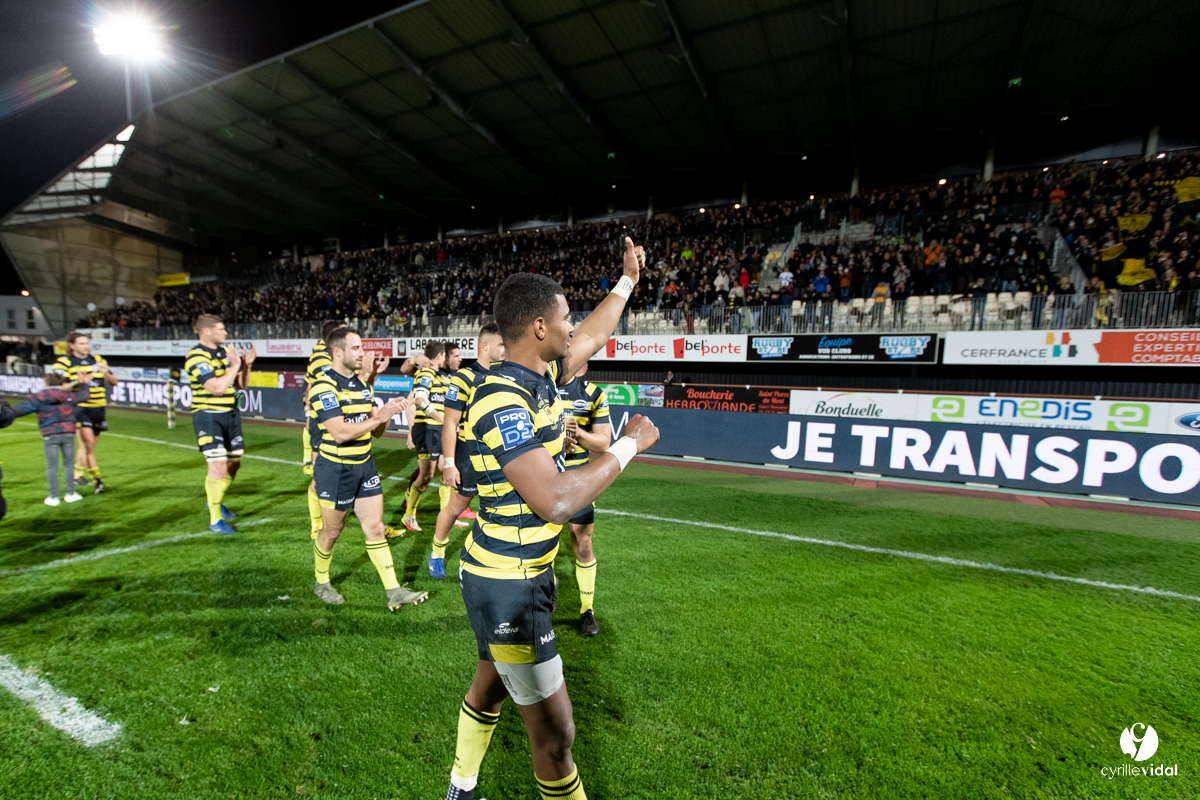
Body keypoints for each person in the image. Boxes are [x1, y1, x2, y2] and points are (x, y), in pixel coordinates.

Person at [441, 238, 659, 800]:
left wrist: (628, 281)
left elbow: (595, 332)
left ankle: (460, 787)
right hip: (506, 583)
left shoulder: (547, 378)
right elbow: (556, 502)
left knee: (490, 687)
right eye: (564, 319)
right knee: (557, 738)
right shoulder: (497, 399)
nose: (573, 329)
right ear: (539, 327)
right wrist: (629, 446)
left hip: (526, 573)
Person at [309, 328, 426, 609]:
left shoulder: (362, 386)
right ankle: (321, 581)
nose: (363, 353)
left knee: (374, 527)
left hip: (365, 467)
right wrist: (379, 418)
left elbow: (375, 433)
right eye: (356, 348)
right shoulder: (324, 386)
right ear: (338, 352)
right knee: (332, 531)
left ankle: (393, 590)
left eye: (362, 347)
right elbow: (339, 432)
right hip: (336, 469)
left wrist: (389, 413)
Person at [429, 323, 505, 580]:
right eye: (502, 345)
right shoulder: (463, 377)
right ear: (485, 346)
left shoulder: (505, 375)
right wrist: (449, 462)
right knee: (455, 508)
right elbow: (450, 422)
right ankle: (437, 552)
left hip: (498, 455)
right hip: (469, 455)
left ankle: (493, 558)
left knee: (498, 508)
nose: (506, 350)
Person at [185, 314, 256, 534]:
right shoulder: (195, 357)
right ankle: (215, 519)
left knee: (234, 464)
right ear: (206, 331)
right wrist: (235, 365)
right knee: (217, 466)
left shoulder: (225, 354)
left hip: (231, 415)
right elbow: (215, 388)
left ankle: (214, 499)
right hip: (208, 416)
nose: (225, 332)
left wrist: (246, 366)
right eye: (221, 329)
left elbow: (241, 385)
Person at [556, 362, 611, 637]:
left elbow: (603, 443)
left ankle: (587, 610)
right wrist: (556, 436)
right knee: (541, 544)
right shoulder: (539, 388)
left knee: (584, 545)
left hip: (578, 482)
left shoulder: (594, 393)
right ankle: (544, 595)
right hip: (545, 479)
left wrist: (578, 434)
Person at [11, 372, 90, 506]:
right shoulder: (67, 396)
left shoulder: (38, 398)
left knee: (52, 466)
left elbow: (19, 410)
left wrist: (6, 411)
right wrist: (83, 383)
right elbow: (85, 395)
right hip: (68, 432)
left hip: (50, 434)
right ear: (62, 384)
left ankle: (54, 497)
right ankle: (71, 493)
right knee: (69, 464)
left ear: (45, 384)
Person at [53, 331, 118, 495]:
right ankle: (97, 479)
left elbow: (114, 381)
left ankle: (77, 474)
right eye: (81, 343)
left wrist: (106, 374)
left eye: (87, 343)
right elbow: (59, 387)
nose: (86, 346)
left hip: (99, 407)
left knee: (89, 446)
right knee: (88, 443)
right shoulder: (64, 363)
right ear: (71, 346)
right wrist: (77, 382)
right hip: (79, 407)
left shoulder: (98, 360)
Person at [402, 342, 448, 531]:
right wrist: (443, 421)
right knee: (426, 476)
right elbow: (420, 400)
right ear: (441, 355)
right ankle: (409, 514)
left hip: (438, 429)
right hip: (428, 428)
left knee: (446, 468)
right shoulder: (426, 373)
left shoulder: (439, 377)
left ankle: (447, 515)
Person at [302, 321, 343, 478]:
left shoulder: (327, 351)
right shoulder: (320, 354)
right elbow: (315, 385)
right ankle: (309, 459)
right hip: (321, 404)